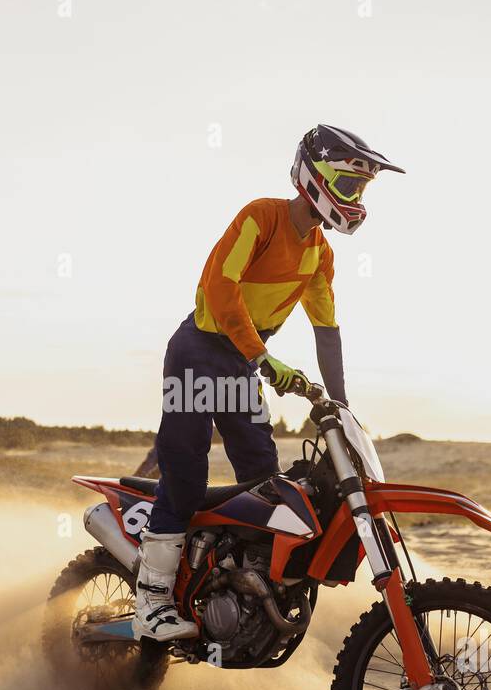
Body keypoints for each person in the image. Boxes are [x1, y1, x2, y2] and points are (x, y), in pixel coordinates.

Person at [134, 124, 404, 640]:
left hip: (240, 363)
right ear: (314, 179)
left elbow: (327, 331)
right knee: (186, 477)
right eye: (348, 187)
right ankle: (151, 603)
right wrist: (264, 357)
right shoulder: (261, 216)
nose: (355, 200)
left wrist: (341, 406)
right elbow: (219, 288)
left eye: (361, 191)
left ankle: (241, 589)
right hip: (198, 353)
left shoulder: (321, 254)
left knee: (264, 483)